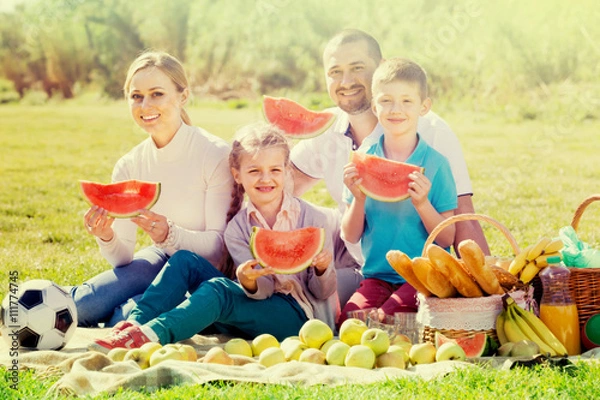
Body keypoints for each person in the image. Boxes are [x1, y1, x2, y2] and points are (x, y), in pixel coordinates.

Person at [89, 123, 339, 352]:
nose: (266, 178)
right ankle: (133, 325)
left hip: (298, 318)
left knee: (218, 290)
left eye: (275, 169)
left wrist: (322, 269)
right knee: (185, 260)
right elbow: (261, 293)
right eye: (254, 170)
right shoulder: (238, 229)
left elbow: (322, 292)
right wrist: (247, 280)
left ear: (287, 171)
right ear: (237, 174)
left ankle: (152, 335)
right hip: (256, 305)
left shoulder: (314, 221)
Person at [291, 29, 489, 307]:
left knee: (391, 318)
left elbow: (461, 218)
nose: (345, 81)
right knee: (338, 316)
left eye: (357, 68)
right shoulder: (329, 130)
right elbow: (280, 184)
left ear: (380, 67)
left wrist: (487, 291)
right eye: (335, 71)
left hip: (420, 270)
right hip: (366, 268)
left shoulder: (431, 132)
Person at [71, 51, 233, 327]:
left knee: (120, 320)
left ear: (183, 96)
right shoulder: (129, 165)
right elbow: (122, 258)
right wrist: (106, 236)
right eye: (136, 96)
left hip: (207, 273)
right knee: (83, 307)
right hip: (160, 257)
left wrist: (171, 234)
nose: (145, 105)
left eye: (157, 94)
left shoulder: (214, 153)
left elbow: (218, 247)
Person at [339, 57, 457, 324]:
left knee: (387, 320)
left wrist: (423, 203)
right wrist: (358, 199)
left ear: (423, 107)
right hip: (377, 276)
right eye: (386, 101)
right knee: (349, 321)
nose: (396, 109)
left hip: (424, 275)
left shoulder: (437, 164)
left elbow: (447, 237)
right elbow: (350, 234)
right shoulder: (362, 160)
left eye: (406, 101)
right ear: (374, 106)